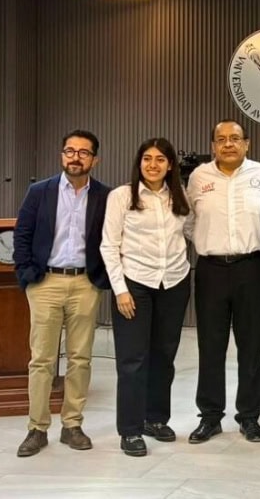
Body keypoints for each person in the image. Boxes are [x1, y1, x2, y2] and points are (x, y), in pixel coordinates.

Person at [12, 129, 111, 457]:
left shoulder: (105, 196)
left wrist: (100, 279)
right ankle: (37, 428)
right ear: (62, 155)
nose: (75, 157)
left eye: (83, 152)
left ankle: (72, 425)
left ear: (95, 159)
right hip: (46, 283)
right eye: (70, 151)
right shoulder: (39, 191)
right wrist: (28, 276)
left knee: (80, 358)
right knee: (41, 359)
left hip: (85, 284)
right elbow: (22, 235)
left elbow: (111, 239)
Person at [185, 119, 260, 444]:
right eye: (221, 139)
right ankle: (210, 417)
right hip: (210, 269)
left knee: (251, 346)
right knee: (210, 346)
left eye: (235, 138)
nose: (228, 144)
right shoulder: (199, 177)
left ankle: (249, 417)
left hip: (251, 267)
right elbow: (188, 222)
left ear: (246, 143)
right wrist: (208, 240)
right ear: (213, 145)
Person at [100, 137, 192, 457]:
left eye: (160, 159)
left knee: (163, 357)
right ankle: (130, 430)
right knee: (133, 360)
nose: (153, 165)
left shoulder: (180, 196)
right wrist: (120, 290)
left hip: (174, 282)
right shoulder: (121, 196)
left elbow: (192, 231)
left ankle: (156, 419)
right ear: (139, 162)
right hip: (135, 284)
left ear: (170, 165)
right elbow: (109, 245)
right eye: (147, 158)